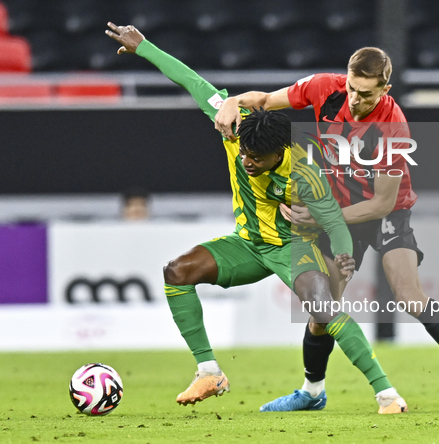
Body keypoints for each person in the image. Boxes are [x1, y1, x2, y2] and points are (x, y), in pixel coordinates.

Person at [105, 22, 408, 414]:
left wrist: (345, 261)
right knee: (176, 272)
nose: (247, 162)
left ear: (280, 152)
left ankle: (386, 394)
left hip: (292, 247)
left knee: (322, 308)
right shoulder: (235, 128)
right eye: (244, 154)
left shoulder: (304, 173)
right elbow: (192, 81)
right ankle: (209, 371)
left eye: (257, 159)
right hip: (247, 244)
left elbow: (333, 222)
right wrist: (144, 47)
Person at [215, 47, 439, 413]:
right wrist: (231, 102)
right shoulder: (324, 88)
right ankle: (311, 392)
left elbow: (381, 204)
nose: (355, 100)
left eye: (366, 94)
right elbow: (261, 100)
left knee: (410, 297)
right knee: (323, 308)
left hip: (385, 214)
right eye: (353, 89)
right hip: (338, 211)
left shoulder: (393, 124)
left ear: (385, 89)